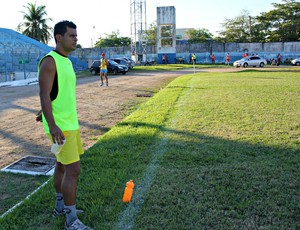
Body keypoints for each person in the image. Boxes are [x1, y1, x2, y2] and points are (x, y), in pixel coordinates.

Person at [38, 20, 92, 230]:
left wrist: (43, 112)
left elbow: (52, 94)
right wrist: (51, 124)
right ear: (59, 37)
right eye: (72, 35)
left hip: (69, 122)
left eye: (76, 35)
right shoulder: (50, 61)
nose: (75, 38)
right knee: (74, 170)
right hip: (61, 127)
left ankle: (61, 207)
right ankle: (71, 221)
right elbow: (43, 93)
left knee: (61, 165)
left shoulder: (66, 61)